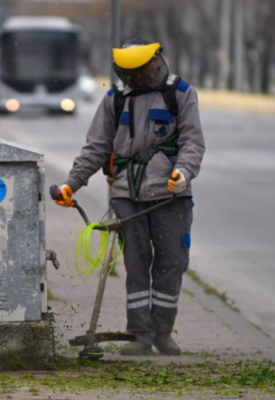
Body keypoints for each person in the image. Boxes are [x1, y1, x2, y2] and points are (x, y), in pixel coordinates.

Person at [52, 39, 205, 356]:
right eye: (130, 73)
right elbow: (95, 148)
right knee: (136, 265)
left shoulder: (180, 94)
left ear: (156, 61)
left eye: (143, 70)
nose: (137, 77)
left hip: (171, 196)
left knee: (172, 262)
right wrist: (71, 184)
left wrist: (184, 172)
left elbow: (193, 142)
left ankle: (163, 333)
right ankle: (140, 334)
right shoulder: (114, 100)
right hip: (126, 195)